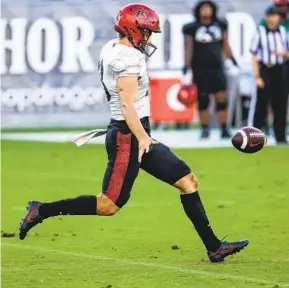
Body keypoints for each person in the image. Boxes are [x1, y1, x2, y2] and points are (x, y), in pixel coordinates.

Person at [19, 3, 249, 263]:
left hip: (137, 133)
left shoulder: (113, 47)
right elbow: (127, 106)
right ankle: (42, 210)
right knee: (108, 205)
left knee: (187, 181)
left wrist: (143, 135)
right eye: (146, 32)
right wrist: (142, 138)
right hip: (128, 137)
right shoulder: (126, 58)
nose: (149, 38)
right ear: (132, 30)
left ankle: (214, 247)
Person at [182, 0, 238, 139]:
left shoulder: (220, 25)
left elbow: (225, 44)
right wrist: (187, 66)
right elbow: (189, 47)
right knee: (203, 100)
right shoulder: (192, 27)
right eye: (203, 8)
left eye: (208, 8)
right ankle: (205, 129)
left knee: (221, 99)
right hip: (200, 69)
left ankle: (224, 128)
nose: (206, 11)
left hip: (217, 68)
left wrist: (232, 59)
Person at [249, 5, 289, 144]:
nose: (272, 19)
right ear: (265, 18)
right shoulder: (260, 32)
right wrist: (257, 76)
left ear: (279, 17)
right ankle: (254, 138)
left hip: (280, 70)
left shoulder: (284, 32)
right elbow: (253, 55)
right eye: (269, 16)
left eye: (274, 16)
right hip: (265, 69)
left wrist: (283, 54)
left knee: (280, 105)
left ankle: (280, 137)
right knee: (261, 104)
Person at [260, 0, 289, 135]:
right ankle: (261, 128)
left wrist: (283, 53)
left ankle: (280, 133)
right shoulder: (262, 28)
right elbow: (254, 53)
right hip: (267, 67)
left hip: (283, 66)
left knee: (281, 101)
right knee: (263, 100)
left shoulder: (284, 29)